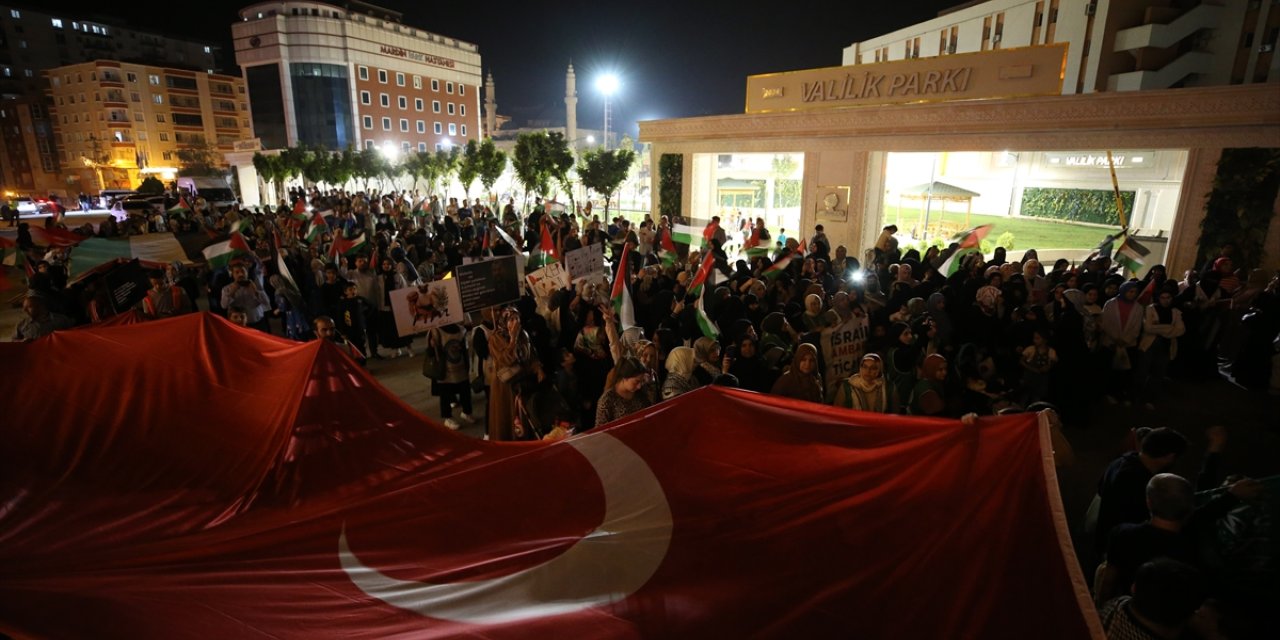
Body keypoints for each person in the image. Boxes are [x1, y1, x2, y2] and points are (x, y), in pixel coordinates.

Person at [1092, 427, 1190, 557]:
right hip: (1117, 547)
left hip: (1105, 535)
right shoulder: (1141, 483)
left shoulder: (1122, 461)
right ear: (1169, 457)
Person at [427, 322, 475, 430]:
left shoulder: (460, 329)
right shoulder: (435, 331)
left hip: (460, 367)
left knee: (465, 391)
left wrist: (468, 366)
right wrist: (431, 346)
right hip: (445, 371)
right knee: (445, 394)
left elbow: (465, 349)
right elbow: (430, 354)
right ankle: (448, 417)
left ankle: (467, 412)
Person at [595, 355, 654, 428]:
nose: (639, 386)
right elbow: (600, 432)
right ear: (624, 378)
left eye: (642, 381)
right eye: (636, 382)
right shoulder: (607, 400)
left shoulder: (640, 392)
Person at [220, 264, 271, 332]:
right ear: (233, 274)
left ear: (247, 272)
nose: (240, 274)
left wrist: (255, 291)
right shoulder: (227, 289)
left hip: (257, 324)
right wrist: (232, 293)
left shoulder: (256, 285)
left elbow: (266, 302)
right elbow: (224, 306)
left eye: (243, 271)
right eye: (237, 272)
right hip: (238, 325)